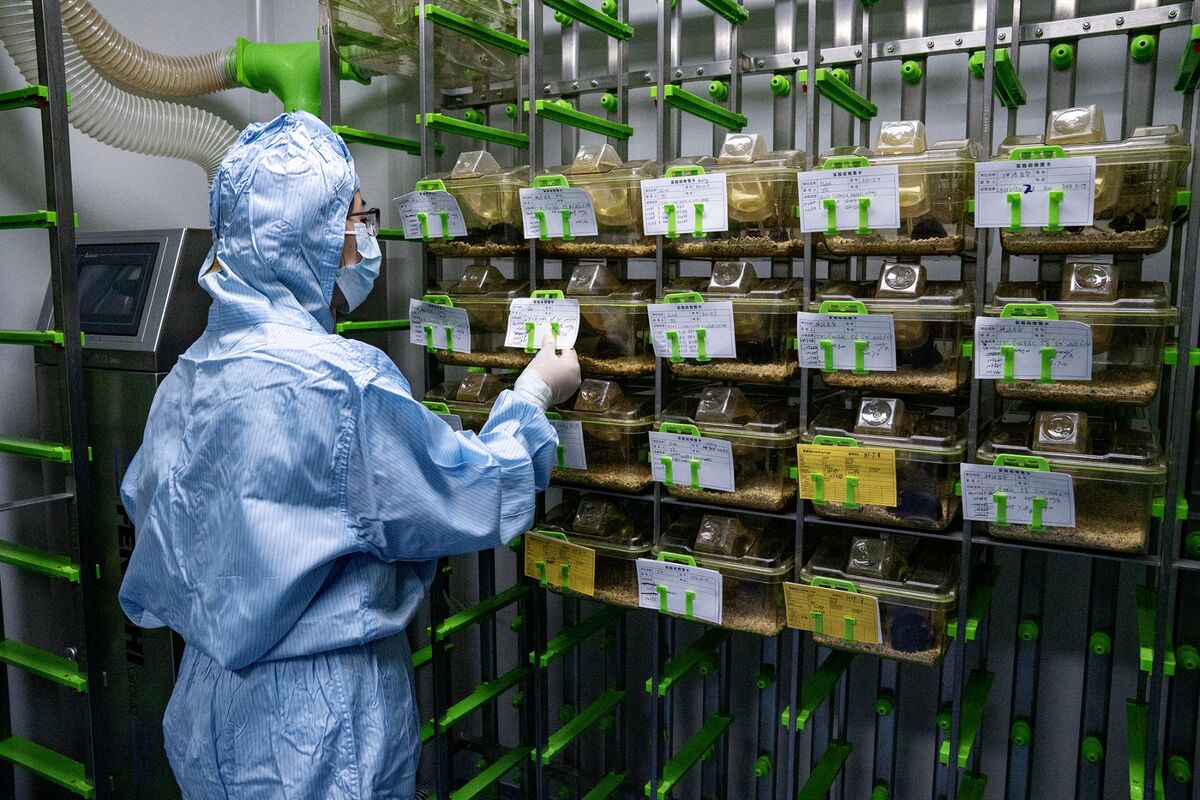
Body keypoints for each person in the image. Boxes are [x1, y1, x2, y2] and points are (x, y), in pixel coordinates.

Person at [117, 111, 580, 799]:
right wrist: (534, 393)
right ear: (312, 237)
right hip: (317, 728)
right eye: (357, 216)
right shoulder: (342, 385)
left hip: (207, 706)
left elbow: (151, 510)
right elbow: (471, 491)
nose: (366, 235)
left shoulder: (191, 372)